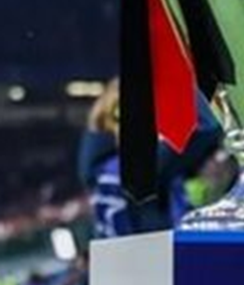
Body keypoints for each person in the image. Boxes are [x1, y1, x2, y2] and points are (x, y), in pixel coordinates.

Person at [78, 79, 223, 238]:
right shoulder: (123, 170)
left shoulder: (103, 170)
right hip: (146, 240)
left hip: (137, 242)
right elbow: (200, 134)